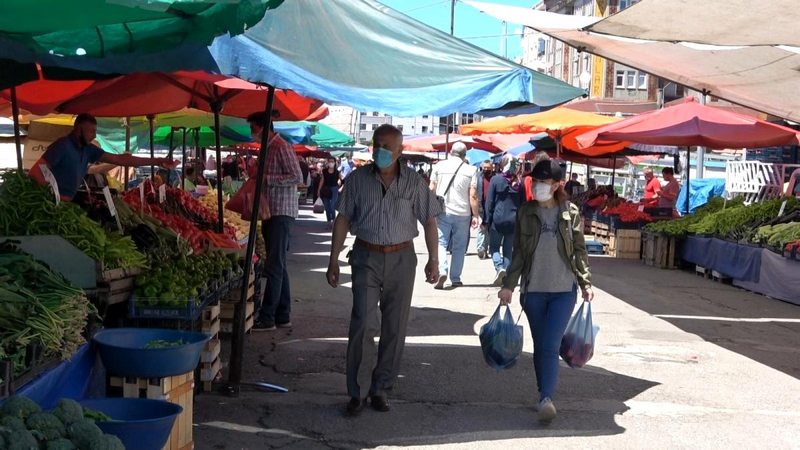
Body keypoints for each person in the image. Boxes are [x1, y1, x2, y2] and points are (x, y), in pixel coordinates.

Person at [326, 124, 441, 416]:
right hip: (366, 255)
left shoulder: (414, 182)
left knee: (395, 326)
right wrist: (333, 259)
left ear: (400, 150)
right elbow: (342, 219)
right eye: (377, 145)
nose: (381, 151)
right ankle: (357, 392)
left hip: (402, 258)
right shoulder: (356, 180)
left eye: (388, 146)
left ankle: (381, 389)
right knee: (362, 322)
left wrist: (434, 260)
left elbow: (429, 220)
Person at [498, 159, 593, 423]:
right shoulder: (526, 212)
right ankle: (543, 393)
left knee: (550, 345)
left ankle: (546, 398)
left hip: (564, 291)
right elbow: (518, 252)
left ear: (556, 185)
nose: (538, 186)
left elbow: (579, 250)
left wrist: (585, 282)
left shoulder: (569, 212)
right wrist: (508, 285)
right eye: (536, 181)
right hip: (533, 292)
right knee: (540, 346)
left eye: (544, 182)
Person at [30, 114, 176, 201]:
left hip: (69, 202)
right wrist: (52, 198)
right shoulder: (62, 146)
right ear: (79, 130)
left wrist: (157, 161)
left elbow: (120, 160)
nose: (94, 135)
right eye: (91, 131)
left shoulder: (88, 149)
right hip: (52, 203)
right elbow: (36, 172)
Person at [248, 112, 304, 332]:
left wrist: (267, 179)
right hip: (271, 213)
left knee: (274, 266)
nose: (251, 133)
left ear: (263, 127)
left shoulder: (281, 147)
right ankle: (282, 315)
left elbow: (296, 177)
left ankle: (268, 317)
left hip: (281, 213)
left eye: (253, 128)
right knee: (278, 265)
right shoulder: (268, 149)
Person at [429, 142, 479, 289]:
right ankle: (455, 278)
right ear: (465, 155)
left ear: (451, 151)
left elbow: (431, 188)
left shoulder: (439, 166)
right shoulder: (471, 169)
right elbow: (473, 195)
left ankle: (443, 269)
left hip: (442, 211)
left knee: (441, 242)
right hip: (463, 213)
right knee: (459, 246)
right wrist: (475, 215)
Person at [487, 157, 523, 286]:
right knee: (508, 250)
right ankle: (505, 276)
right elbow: (523, 203)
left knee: (494, 247)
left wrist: (487, 220)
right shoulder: (520, 183)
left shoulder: (496, 180)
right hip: (514, 221)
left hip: (498, 220)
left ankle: (499, 267)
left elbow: (490, 202)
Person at [476, 160, 494, 260]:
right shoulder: (478, 177)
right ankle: (481, 249)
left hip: (492, 207)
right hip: (481, 206)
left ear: (492, 167)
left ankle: (487, 250)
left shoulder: (495, 178)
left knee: (490, 229)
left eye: (488, 168)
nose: (486, 169)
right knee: (482, 228)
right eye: (484, 168)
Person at [318, 157, 342, 227]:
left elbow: (341, 180)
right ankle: (329, 221)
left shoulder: (337, 172)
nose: (331, 163)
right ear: (327, 162)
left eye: (332, 161)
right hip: (325, 189)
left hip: (334, 189)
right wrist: (319, 190)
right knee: (327, 206)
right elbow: (322, 180)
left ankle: (334, 221)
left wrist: (340, 185)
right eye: (330, 161)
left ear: (335, 163)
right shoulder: (324, 171)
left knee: (332, 206)